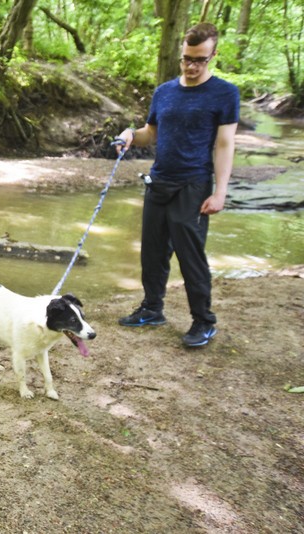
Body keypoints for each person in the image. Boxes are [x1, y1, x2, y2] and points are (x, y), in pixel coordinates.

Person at [113, 22, 239, 347]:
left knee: (190, 255)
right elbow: (150, 133)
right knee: (152, 252)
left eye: (200, 60)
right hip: (159, 181)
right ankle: (152, 308)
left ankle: (203, 321)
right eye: (187, 59)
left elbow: (225, 145)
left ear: (212, 56)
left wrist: (220, 191)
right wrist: (129, 135)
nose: (192, 66)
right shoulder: (164, 91)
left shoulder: (225, 93)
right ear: (180, 55)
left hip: (194, 184)